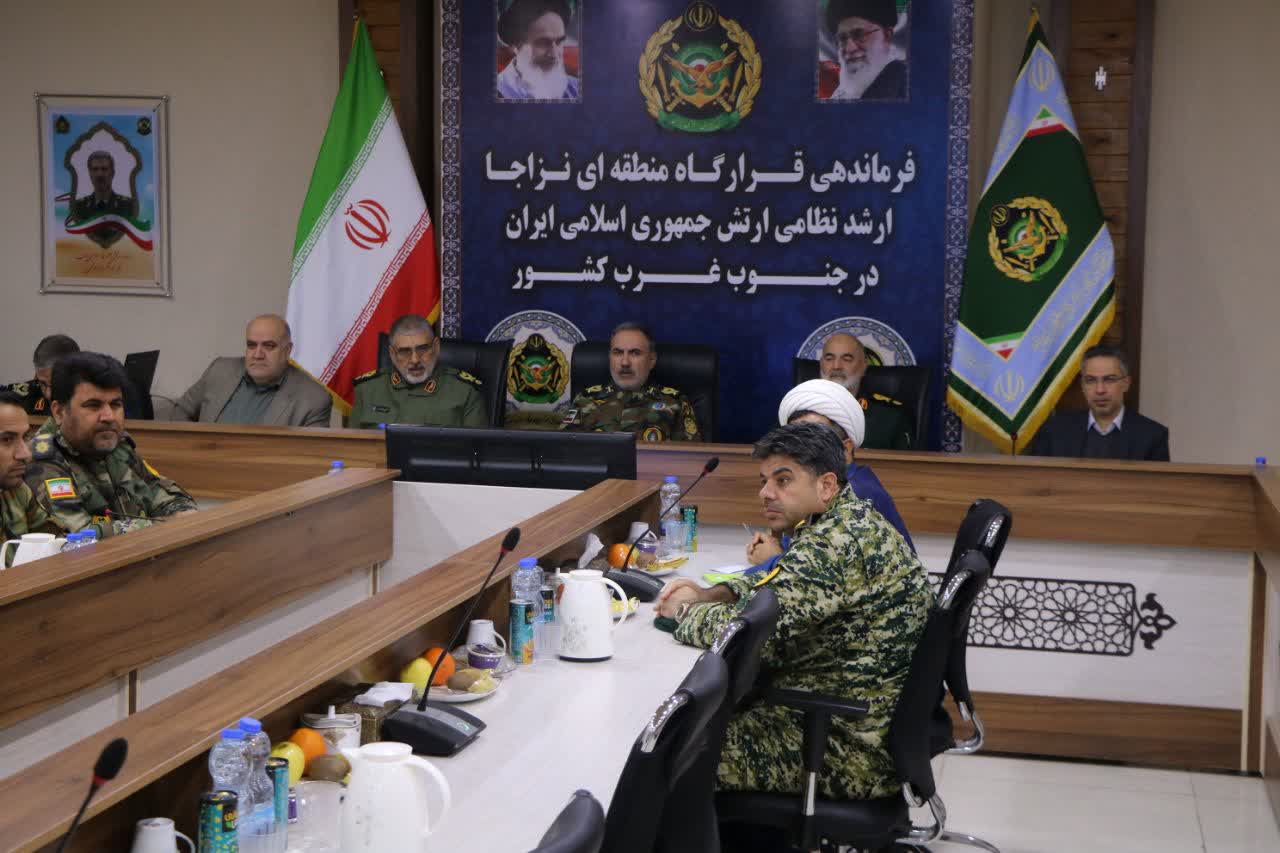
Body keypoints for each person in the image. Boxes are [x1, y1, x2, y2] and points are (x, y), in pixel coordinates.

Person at [656, 422, 930, 805]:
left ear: (826, 485)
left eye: (783, 480)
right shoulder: (845, 519)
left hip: (843, 747)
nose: (765, 493)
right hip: (851, 717)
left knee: (675, 751)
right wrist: (712, 594)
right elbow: (778, 583)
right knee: (689, 725)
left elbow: (745, 634)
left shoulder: (835, 545)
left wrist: (685, 611)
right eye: (765, 481)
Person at [24, 352, 197, 538]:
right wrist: (165, 525)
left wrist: (184, 514)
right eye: (93, 405)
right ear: (59, 412)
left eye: (115, 405)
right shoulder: (43, 460)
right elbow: (79, 537)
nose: (109, 416)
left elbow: (162, 492)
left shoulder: (118, 446)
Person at [769, 378, 914, 550]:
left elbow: (813, 562)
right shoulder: (814, 487)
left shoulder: (857, 492)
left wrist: (773, 557)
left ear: (845, 449)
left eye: (813, 440)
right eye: (794, 440)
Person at [173, 314, 332, 427]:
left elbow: (310, 455)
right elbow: (180, 411)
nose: (257, 355)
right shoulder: (220, 370)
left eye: (268, 346)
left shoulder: (313, 399)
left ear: (287, 350)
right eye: (251, 345)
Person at [560, 322, 701, 442]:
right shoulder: (585, 399)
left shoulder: (675, 402)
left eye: (635, 353)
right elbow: (562, 449)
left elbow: (691, 458)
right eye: (618, 352)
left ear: (652, 360)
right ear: (610, 358)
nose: (625, 362)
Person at [1029, 345, 1170, 460]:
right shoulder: (1054, 431)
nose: (1100, 390)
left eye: (1109, 379)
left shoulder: (1152, 436)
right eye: (1091, 380)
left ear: (1126, 384)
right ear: (1082, 386)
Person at [349, 314, 487, 430]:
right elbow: (353, 448)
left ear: (436, 347)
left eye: (422, 349)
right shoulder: (367, 390)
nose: (415, 360)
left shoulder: (465, 392)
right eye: (405, 351)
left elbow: (477, 451)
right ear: (392, 354)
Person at [817, 332, 913, 449]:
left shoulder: (891, 417)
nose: (836, 366)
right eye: (829, 359)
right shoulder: (802, 410)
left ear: (863, 365)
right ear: (821, 364)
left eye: (847, 359)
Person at [0, 391, 58, 563]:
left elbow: (56, 545)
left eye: (25, 437)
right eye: (7, 439)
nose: (25, 453)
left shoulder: (18, 491)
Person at [823, 0, 907, 101]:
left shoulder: (905, 83)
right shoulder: (841, 93)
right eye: (842, 38)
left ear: (887, 35)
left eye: (859, 35)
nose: (849, 48)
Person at [496, 0, 579, 100]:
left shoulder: (577, 88)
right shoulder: (497, 92)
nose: (554, 54)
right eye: (543, 43)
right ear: (516, 45)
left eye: (559, 42)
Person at [68, 151, 139, 249]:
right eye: (95, 169)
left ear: (112, 173)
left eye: (104, 169)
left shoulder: (128, 205)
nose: (99, 174)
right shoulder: (79, 207)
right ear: (90, 173)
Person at [2, 334, 80, 416]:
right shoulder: (23, 396)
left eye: (56, 384)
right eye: (43, 383)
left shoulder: (87, 401)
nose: (48, 394)